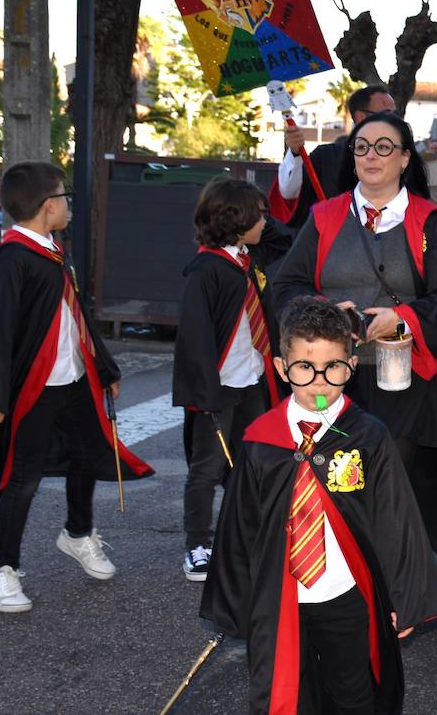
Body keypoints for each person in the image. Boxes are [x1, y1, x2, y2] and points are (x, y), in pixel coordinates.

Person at [272, 112, 437, 585]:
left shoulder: (429, 222)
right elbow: (286, 286)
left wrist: (404, 318)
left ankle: (392, 585)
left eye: (384, 147)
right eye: (361, 147)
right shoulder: (324, 217)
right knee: (335, 478)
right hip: (330, 378)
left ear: (405, 158)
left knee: (391, 483)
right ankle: (343, 580)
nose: (371, 156)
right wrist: (328, 313)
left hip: (405, 377)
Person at [202, 296, 437, 714]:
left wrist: (402, 600)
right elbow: (239, 528)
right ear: (282, 369)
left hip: (345, 596)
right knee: (286, 696)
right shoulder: (262, 441)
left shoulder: (367, 436)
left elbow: (395, 519)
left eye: (333, 367)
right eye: (304, 368)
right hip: (280, 599)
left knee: (353, 694)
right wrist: (237, 605)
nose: (319, 381)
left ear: (351, 367)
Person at [0, 161, 151, 614]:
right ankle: (0, 570)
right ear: (46, 206)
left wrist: (105, 368)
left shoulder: (55, 250)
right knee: (23, 478)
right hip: (35, 387)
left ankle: (78, 533)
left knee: (87, 456)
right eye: (63, 197)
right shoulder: (15, 258)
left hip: (73, 378)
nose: (67, 205)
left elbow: (75, 315)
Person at [172, 177, 292, 583]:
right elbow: (194, 337)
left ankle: (243, 534)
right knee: (206, 468)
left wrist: (258, 224)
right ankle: (197, 544)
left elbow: (284, 241)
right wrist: (202, 393)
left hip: (252, 378)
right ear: (236, 220)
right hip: (218, 386)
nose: (266, 220)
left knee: (251, 461)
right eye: (259, 214)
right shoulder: (207, 269)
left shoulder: (246, 257)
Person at [270, 85, 397, 229]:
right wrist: (295, 152)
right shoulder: (325, 157)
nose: (394, 122)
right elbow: (290, 194)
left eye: (395, 115)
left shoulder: (399, 160)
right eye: (387, 115)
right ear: (361, 117)